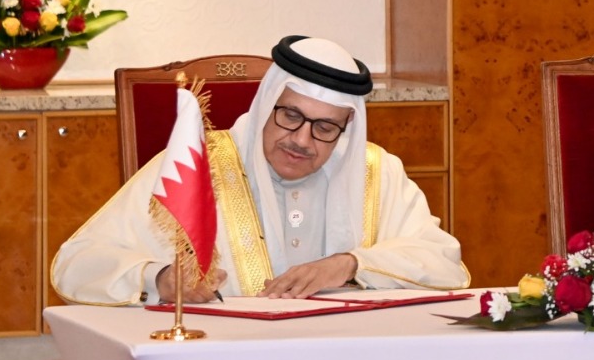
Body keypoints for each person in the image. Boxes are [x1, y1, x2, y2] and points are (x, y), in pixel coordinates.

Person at [52, 35, 469, 304]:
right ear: (267, 105)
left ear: (346, 129)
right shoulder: (198, 165)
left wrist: (349, 264)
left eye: (325, 128)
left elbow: (444, 263)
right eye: (290, 116)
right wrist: (160, 279)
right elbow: (76, 261)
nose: (302, 140)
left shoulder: (376, 172)